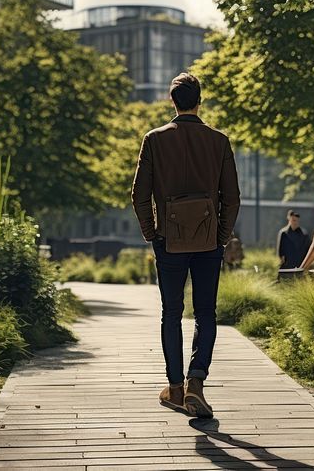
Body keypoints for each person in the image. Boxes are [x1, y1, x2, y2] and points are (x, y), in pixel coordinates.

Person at [131, 72, 240, 419]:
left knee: (171, 313)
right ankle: (197, 381)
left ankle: (175, 387)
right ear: (200, 100)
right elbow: (232, 198)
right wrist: (221, 236)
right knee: (206, 312)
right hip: (209, 242)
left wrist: (152, 233)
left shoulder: (154, 139)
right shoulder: (219, 141)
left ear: (171, 100)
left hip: (169, 241)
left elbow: (139, 194)